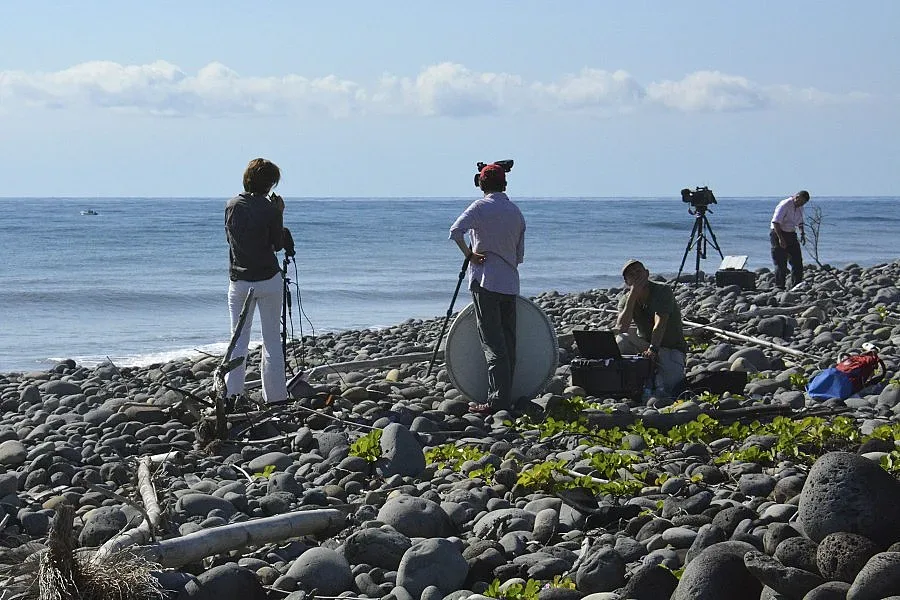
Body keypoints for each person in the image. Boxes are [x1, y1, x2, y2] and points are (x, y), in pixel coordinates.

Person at [449, 163, 526, 415]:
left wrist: (470, 254)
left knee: (493, 343)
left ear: (481, 183)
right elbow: (519, 256)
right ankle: (506, 396)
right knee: (509, 342)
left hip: (486, 281)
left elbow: (455, 231)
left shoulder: (480, 207)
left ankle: (496, 401)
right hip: (510, 282)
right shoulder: (515, 212)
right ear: (505, 184)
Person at [224, 158, 289, 405]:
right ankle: (276, 397)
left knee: (238, 340)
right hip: (268, 279)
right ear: (269, 184)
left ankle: (231, 396)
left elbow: (230, 239)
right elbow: (278, 244)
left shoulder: (232, 205)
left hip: (240, 280)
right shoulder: (270, 209)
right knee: (272, 340)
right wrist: (279, 213)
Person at [615, 259, 687, 396]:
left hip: (670, 348)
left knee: (671, 388)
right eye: (631, 274)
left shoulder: (662, 290)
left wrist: (653, 349)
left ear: (647, 273)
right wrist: (633, 295)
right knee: (621, 339)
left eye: (638, 271)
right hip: (645, 346)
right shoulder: (626, 299)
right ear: (627, 282)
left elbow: (660, 322)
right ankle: (632, 376)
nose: (636, 276)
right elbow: (621, 327)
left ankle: (651, 373)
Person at [770, 190, 810, 290]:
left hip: (791, 233)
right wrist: (781, 239)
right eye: (800, 201)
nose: (801, 204)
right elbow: (775, 222)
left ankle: (796, 285)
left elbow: (800, 221)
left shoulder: (800, 207)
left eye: (803, 203)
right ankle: (780, 286)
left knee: (797, 261)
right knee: (781, 262)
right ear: (796, 197)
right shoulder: (785, 204)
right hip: (778, 232)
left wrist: (802, 233)